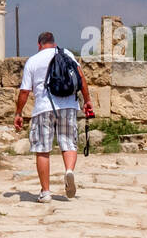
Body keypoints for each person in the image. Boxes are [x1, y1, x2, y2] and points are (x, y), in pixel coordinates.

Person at [14, 31, 93, 202]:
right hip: (68, 105)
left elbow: (24, 91)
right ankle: (69, 171)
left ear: (39, 44)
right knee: (69, 143)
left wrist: (19, 113)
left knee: (43, 150)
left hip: (43, 108)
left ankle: (45, 192)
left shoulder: (33, 61)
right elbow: (81, 78)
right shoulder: (67, 54)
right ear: (54, 42)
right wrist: (87, 101)